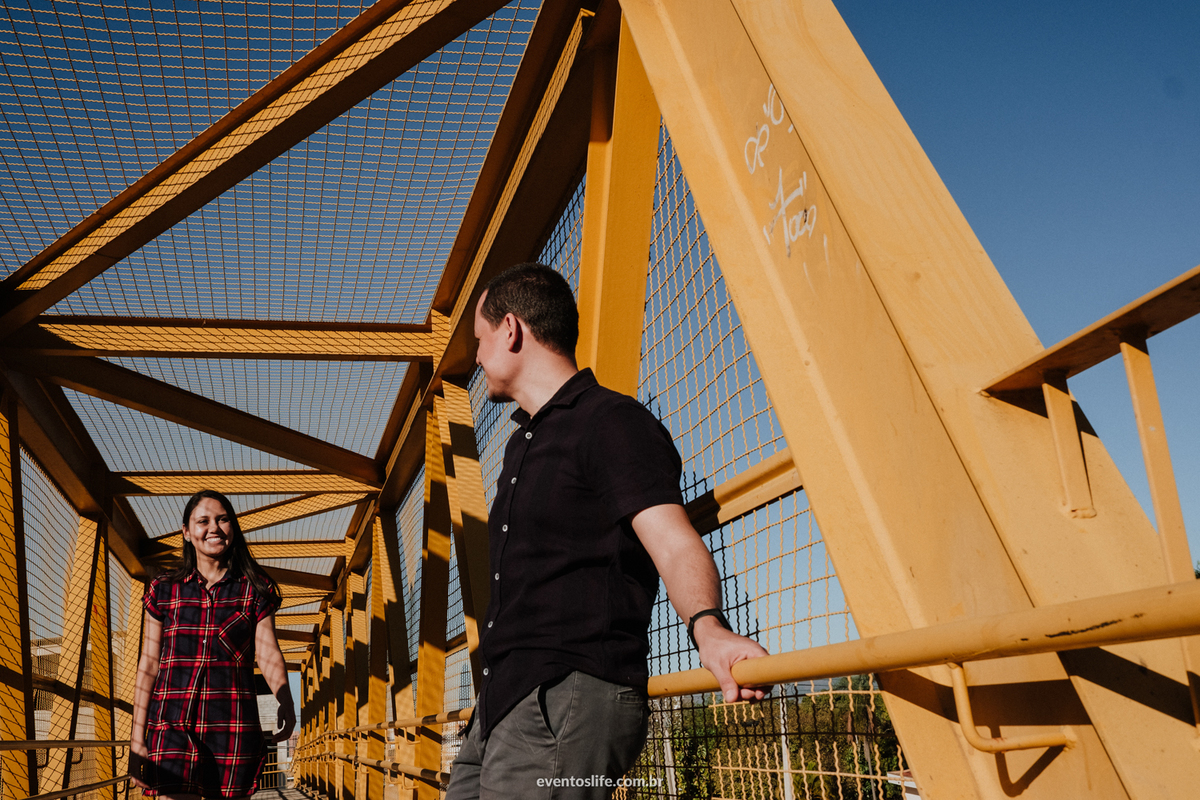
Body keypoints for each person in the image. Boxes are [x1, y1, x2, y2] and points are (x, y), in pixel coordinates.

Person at [445, 263, 769, 800]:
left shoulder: (610, 422)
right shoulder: (521, 445)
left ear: (510, 330)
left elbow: (672, 538)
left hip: (564, 696)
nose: (477, 358)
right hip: (505, 699)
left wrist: (708, 627)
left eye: (479, 340)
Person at [130, 489, 296, 799]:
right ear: (187, 532)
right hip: (170, 722)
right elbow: (149, 663)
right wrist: (136, 738)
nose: (214, 528)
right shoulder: (164, 589)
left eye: (222, 519)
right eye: (203, 521)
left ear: (233, 527)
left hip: (231, 724)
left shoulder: (254, 589)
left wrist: (285, 699)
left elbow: (267, 651)